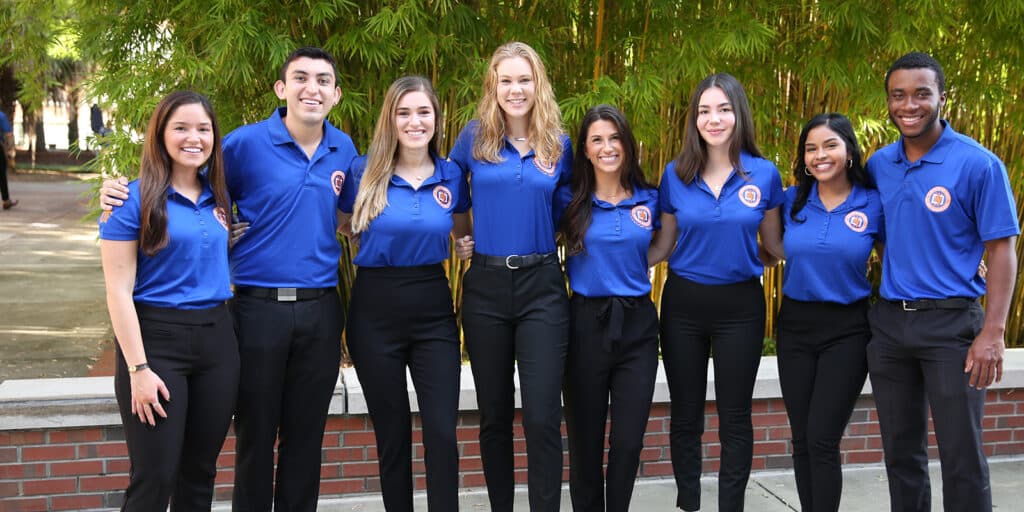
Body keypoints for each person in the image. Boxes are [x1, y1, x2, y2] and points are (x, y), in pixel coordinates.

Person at [100, 47, 359, 511]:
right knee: (254, 437)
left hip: (320, 308)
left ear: (336, 95)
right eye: (300, 78)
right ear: (281, 89)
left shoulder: (345, 149)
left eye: (323, 80)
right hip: (255, 310)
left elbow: (347, 218)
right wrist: (120, 190)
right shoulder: (241, 145)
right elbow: (185, 185)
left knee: (305, 439)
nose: (311, 88)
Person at [866, 52, 1018, 512]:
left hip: (953, 327)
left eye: (921, 94)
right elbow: (877, 233)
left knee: (961, 454)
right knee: (901, 453)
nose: (908, 105)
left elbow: (1002, 251)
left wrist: (992, 332)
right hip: (891, 326)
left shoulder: (979, 164)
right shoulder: (878, 165)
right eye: (898, 95)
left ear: (942, 98)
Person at [648, 72, 784, 512]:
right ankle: (689, 502)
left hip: (741, 306)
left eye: (723, 109)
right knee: (686, 416)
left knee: (735, 417)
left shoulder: (764, 175)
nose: (714, 118)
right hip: (683, 303)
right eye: (704, 110)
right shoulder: (675, 174)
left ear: (738, 113)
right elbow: (664, 245)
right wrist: (607, 260)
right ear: (694, 119)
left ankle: (731, 506)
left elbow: (777, 246)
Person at [337, 76, 473, 511]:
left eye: (423, 112)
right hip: (375, 307)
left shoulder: (452, 173)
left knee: (441, 432)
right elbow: (342, 224)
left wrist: (463, 245)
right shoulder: (363, 170)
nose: (414, 121)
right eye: (404, 112)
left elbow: (461, 229)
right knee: (392, 435)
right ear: (390, 119)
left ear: (437, 118)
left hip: (433, 307)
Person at [448, 41, 572, 512]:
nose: (515, 89)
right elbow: (452, 194)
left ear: (538, 84)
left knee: (542, 416)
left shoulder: (558, 143)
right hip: (486, 286)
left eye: (524, 79)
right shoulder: (473, 138)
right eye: (506, 80)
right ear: (492, 86)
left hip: (543, 285)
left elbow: (568, 210)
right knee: (494, 416)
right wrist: (464, 238)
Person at [99, 90, 238, 510]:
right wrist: (138, 368)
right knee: (155, 476)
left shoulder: (222, 198)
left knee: (199, 474)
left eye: (203, 128)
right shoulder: (131, 200)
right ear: (160, 135)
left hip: (217, 341)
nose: (193, 137)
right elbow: (118, 291)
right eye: (180, 127)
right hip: (156, 343)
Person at [775, 113, 883, 512]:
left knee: (822, 437)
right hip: (795, 327)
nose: (820, 155)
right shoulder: (791, 200)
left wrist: (969, 258)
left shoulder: (873, 202)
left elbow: (909, 247)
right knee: (801, 438)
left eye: (830, 145)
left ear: (850, 151)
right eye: (810, 148)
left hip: (848, 329)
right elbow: (762, 247)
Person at [559, 104, 659, 512]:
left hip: (637, 324)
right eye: (597, 139)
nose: (607, 147)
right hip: (585, 323)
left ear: (628, 144)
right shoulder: (568, 200)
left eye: (615, 137)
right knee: (585, 441)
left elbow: (668, 244)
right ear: (584, 149)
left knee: (629, 441)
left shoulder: (651, 198)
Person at [0, 108, 16, 209]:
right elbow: (9, 134)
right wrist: (10, 150)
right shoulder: (1, 116)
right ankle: (6, 200)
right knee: (1, 173)